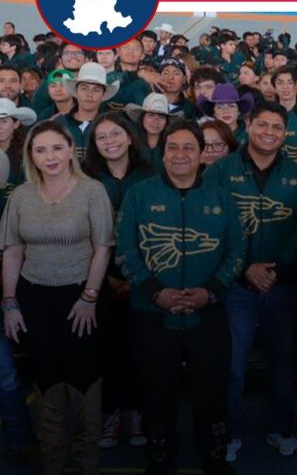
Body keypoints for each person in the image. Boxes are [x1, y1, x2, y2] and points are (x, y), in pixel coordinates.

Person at [116, 120, 244, 475]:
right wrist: (155, 292)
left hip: (208, 314)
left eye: (190, 147)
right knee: (157, 391)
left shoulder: (222, 197)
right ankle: (160, 457)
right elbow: (126, 250)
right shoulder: (139, 195)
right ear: (162, 152)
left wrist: (212, 292)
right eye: (173, 147)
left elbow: (236, 251)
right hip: (152, 313)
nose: (181, 154)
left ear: (203, 153)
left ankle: (214, 456)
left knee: (212, 390)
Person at [201, 102, 297, 461]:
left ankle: (280, 428)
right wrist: (244, 269)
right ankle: (231, 431)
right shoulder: (220, 171)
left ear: (286, 134)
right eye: (263, 125)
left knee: (282, 361)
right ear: (248, 125)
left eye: (277, 128)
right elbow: (212, 228)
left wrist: (277, 270)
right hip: (235, 286)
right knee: (233, 363)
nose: (270, 132)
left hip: (281, 286)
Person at [1, 120, 115, 475]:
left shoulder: (92, 191)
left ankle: (87, 463)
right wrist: (9, 304)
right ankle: (53, 462)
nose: (49, 157)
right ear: (30, 156)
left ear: (70, 151)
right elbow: (13, 251)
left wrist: (89, 297)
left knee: (84, 378)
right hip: (35, 299)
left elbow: (103, 248)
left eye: (56, 148)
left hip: (83, 296)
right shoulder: (20, 197)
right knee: (46, 377)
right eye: (40, 150)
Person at [80, 113, 155, 450]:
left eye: (115, 134)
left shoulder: (150, 176)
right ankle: (110, 413)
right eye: (101, 137)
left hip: (144, 278)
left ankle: (138, 412)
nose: (110, 141)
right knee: (105, 349)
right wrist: (104, 278)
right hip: (99, 278)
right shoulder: (85, 179)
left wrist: (139, 277)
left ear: (129, 137)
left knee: (143, 350)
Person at [125, 94, 182, 169]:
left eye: (161, 116)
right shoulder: (130, 144)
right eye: (151, 115)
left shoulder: (173, 146)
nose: (155, 121)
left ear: (166, 122)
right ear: (142, 118)